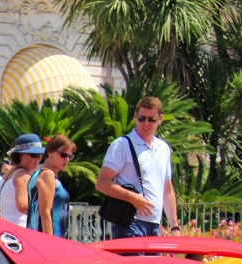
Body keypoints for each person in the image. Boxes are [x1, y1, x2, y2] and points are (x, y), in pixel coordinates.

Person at [96, 96, 180, 238]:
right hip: (129, 223)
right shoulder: (122, 144)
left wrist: (174, 227)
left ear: (160, 119)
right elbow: (102, 183)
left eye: (151, 119)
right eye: (142, 118)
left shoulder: (163, 148)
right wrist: (133, 198)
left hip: (154, 224)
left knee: (154, 261)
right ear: (136, 117)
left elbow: (167, 190)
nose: (146, 123)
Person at [28, 135, 76, 237]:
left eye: (70, 156)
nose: (67, 159)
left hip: (37, 236)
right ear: (50, 152)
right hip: (47, 239)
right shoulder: (47, 175)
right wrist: (50, 243)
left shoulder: (38, 173)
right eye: (63, 155)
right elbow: (45, 213)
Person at [0, 134, 45, 227]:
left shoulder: (9, 174)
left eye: (40, 155)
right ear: (20, 155)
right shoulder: (24, 175)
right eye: (34, 155)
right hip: (21, 229)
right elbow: (23, 206)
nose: (38, 159)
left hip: (7, 228)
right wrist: (46, 211)